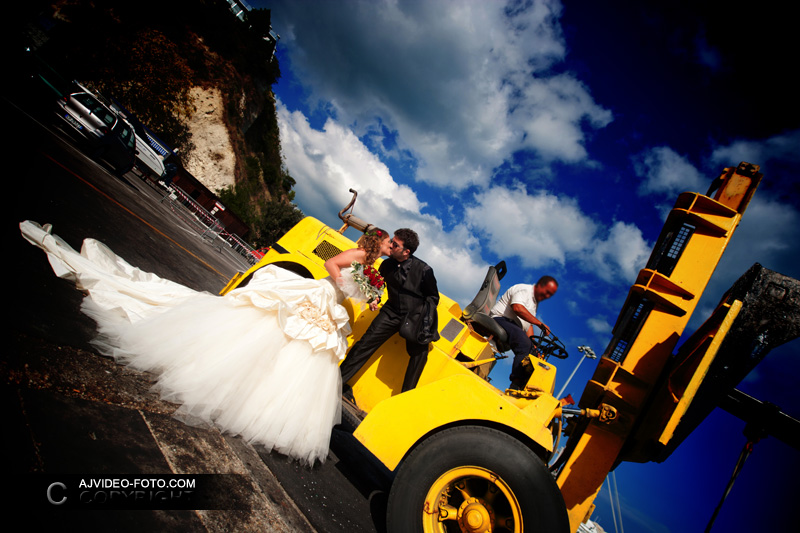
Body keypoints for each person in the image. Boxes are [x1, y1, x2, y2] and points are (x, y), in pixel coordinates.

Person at [19, 220, 392, 465]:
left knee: (296, 347)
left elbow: (353, 281)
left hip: (332, 305)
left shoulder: (370, 269)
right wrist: (347, 283)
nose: (389, 246)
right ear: (377, 243)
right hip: (321, 296)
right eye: (388, 242)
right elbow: (332, 267)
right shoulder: (359, 255)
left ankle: (259, 395)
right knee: (276, 331)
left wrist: (364, 291)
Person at [339, 228, 439, 395]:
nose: (390, 245)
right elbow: (379, 286)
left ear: (406, 251)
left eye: (395, 244)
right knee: (364, 344)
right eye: (391, 241)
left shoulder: (424, 270)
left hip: (414, 317)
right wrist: (375, 297)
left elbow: (433, 298)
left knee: (420, 355)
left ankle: (403, 398)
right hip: (390, 312)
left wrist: (420, 319)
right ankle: (337, 383)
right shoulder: (386, 264)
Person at [490, 276, 559, 389]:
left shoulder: (534, 304)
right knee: (524, 345)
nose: (547, 296)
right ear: (540, 285)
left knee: (532, 350)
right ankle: (516, 385)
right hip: (501, 318)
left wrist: (534, 345)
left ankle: (526, 386)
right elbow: (517, 308)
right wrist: (540, 324)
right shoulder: (524, 290)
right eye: (547, 292)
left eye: (549, 295)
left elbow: (528, 326)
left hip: (513, 325)